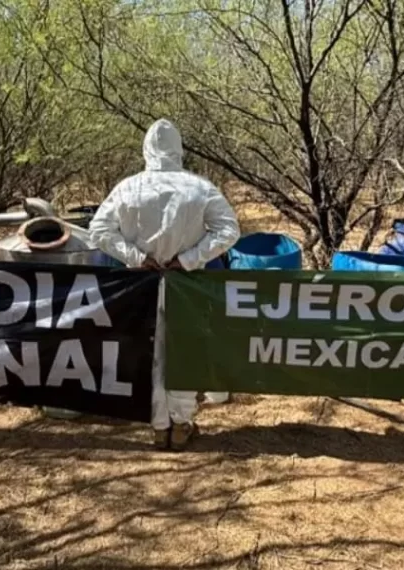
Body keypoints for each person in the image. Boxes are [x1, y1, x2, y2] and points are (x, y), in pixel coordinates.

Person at [90, 119, 240, 451]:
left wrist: (135, 257)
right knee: (184, 350)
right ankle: (182, 424)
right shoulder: (200, 187)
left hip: (141, 284)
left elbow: (99, 231)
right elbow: (229, 230)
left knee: (152, 352)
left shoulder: (127, 188)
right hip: (188, 284)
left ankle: (160, 426)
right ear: (179, 149)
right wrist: (189, 258)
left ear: (146, 150)